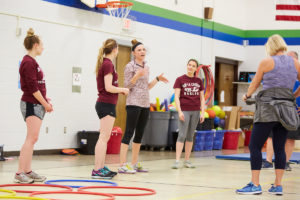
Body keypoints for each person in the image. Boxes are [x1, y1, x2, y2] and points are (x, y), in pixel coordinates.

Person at [236, 34, 300, 195]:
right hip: (286, 109)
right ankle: (278, 185)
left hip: (267, 109)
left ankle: (255, 184)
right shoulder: (295, 63)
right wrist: (293, 96)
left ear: (270, 47)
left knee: (255, 146)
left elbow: (255, 83)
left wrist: (246, 96)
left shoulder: (266, 62)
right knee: (280, 147)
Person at [118, 39, 168, 174]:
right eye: (139, 50)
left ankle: (134, 164)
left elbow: (147, 87)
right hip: (133, 103)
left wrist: (157, 79)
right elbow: (126, 87)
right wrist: (137, 75)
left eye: (144, 49)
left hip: (145, 104)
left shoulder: (146, 66)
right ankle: (122, 165)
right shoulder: (129, 66)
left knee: (139, 134)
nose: (142, 52)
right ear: (134, 53)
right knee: (129, 132)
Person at [16, 28, 53, 183]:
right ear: (36, 45)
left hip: (36, 103)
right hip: (31, 104)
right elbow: (32, 88)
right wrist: (45, 104)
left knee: (33, 138)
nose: (43, 48)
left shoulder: (32, 62)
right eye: (42, 45)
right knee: (31, 138)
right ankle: (19, 173)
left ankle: (27, 170)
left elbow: (37, 86)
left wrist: (45, 99)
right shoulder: (28, 62)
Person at [92, 39, 129, 179]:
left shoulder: (107, 64)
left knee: (105, 137)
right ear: (115, 49)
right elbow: (108, 87)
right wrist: (122, 90)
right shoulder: (107, 64)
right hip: (106, 104)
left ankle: (100, 167)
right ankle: (97, 169)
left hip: (107, 104)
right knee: (103, 137)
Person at [262, 51, 300, 171]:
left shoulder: (297, 74)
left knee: (290, 137)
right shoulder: (277, 72)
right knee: (271, 136)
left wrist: (294, 98)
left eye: (289, 58)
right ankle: (268, 161)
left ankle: (286, 162)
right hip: (276, 109)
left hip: (294, 111)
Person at [171, 59, 205, 169]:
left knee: (190, 136)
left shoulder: (199, 81)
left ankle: (187, 160)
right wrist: (179, 111)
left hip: (195, 111)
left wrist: (203, 112)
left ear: (196, 68)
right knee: (182, 135)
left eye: (193, 66)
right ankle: (177, 161)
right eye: (189, 65)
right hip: (184, 110)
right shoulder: (180, 79)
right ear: (187, 66)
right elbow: (176, 97)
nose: (190, 67)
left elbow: (202, 98)